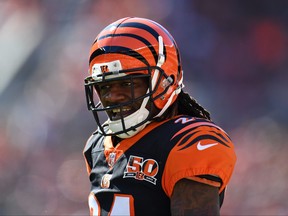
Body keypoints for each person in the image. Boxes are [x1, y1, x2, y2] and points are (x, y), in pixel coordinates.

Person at [83, 17, 236, 216]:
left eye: (127, 84)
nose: (112, 96)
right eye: (104, 86)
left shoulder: (187, 140)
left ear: (165, 80)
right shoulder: (97, 145)